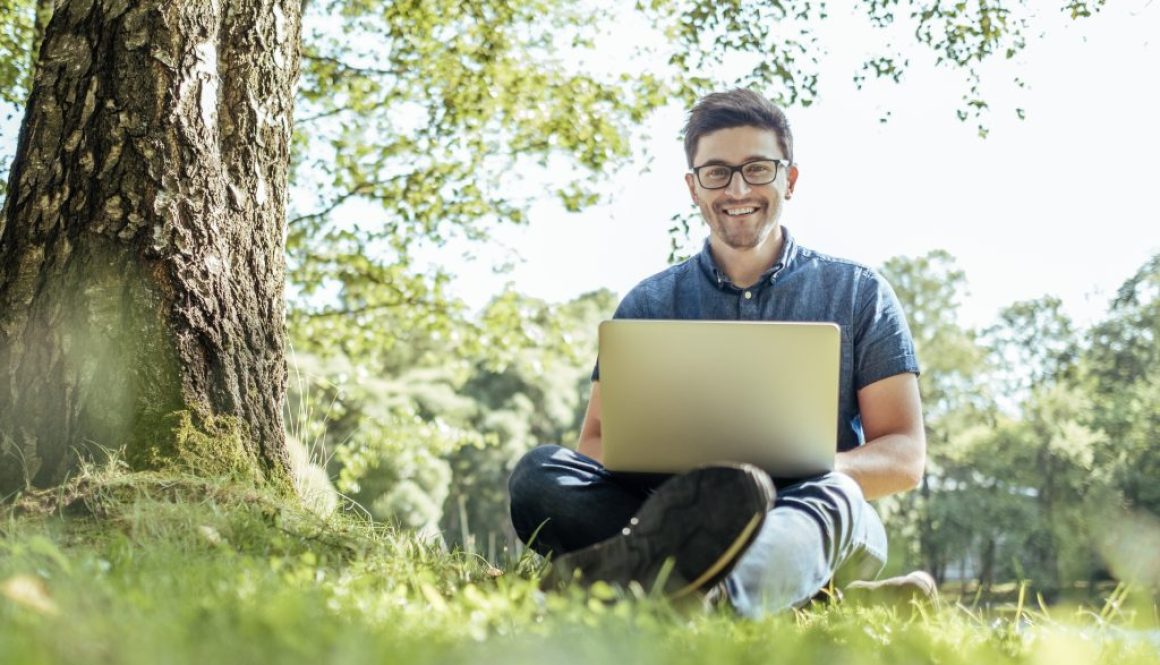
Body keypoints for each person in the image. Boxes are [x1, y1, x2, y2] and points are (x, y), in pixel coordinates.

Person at [508, 88, 929, 616]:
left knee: (836, 494)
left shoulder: (859, 292)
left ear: (788, 180)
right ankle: (793, 597)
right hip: (674, 510)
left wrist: (822, 468)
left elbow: (905, 455)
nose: (737, 188)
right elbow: (595, 441)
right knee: (541, 475)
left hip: (813, 511)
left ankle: (709, 600)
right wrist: (676, 480)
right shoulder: (649, 302)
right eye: (716, 172)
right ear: (693, 187)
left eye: (757, 169)